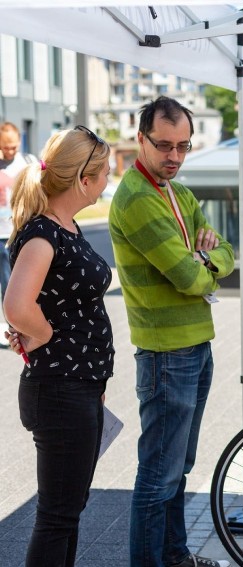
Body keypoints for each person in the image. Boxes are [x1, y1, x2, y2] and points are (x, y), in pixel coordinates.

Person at [109, 96, 234, 567]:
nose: (175, 157)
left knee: (177, 470)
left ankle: (176, 558)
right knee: (159, 475)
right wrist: (204, 261)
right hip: (167, 353)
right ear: (140, 139)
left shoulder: (177, 193)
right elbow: (189, 277)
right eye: (164, 145)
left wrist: (208, 257)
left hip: (194, 344)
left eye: (183, 146)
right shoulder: (140, 198)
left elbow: (225, 249)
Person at [2, 126, 113, 566]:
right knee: (57, 517)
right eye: (103, 174)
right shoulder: (43, 234)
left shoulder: (64, 226)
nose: (107, 182)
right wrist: (41, 333)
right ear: (83, 179)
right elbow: (16, 305)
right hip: (60, 390)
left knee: (67, 513)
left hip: (76, 386)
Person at [0, 122, 38, 347]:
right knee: (9, 284)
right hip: (2, 235)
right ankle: (14, 329)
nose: (10, 151)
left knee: (30, 282)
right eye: (5, 147)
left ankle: (30, 325)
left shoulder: (28, 163)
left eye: (13, 147)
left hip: (24, 231)